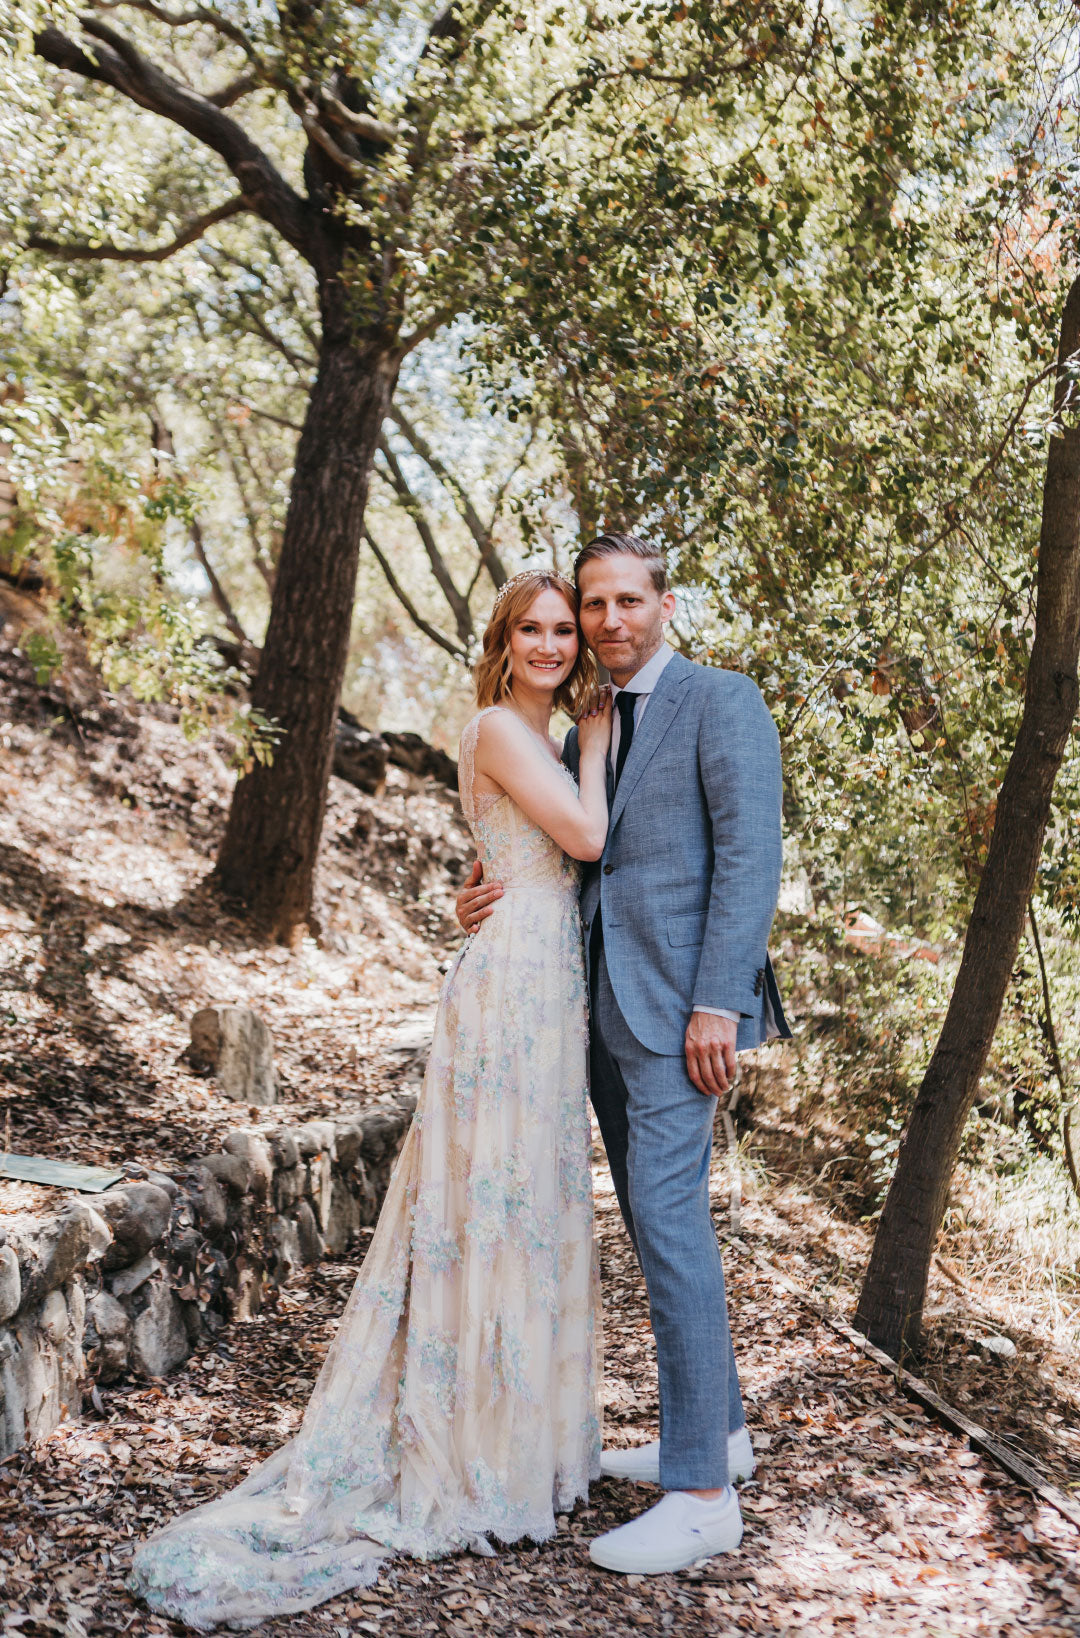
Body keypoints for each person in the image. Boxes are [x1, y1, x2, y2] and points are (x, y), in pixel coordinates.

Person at [129, 571, 612, 1628]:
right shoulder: (500, 726)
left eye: (561, 631)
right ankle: (468, 1442)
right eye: (529, 629)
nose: (547, 644)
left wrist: (498, 864)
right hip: (511, 990)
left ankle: (517, 1434)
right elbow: (583, 840)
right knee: (489, 1202)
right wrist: (605, 730)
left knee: (526, 1205)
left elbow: (534, 856)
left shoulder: (546, 737)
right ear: (502, 639)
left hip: (540, 978)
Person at [457, 533, 790, 1576]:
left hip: (680, 1015)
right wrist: (479, 893)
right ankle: (717, 1434)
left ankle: (702, 1499)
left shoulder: (719, 701)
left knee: (674, 1226)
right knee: (655, 1225)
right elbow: (558, 845)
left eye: (622, 603)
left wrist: (716, 1004)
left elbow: (748, 859)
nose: (606, 622)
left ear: (664, 602)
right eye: (590, 605)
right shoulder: (590, 722)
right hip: (585, 1010)